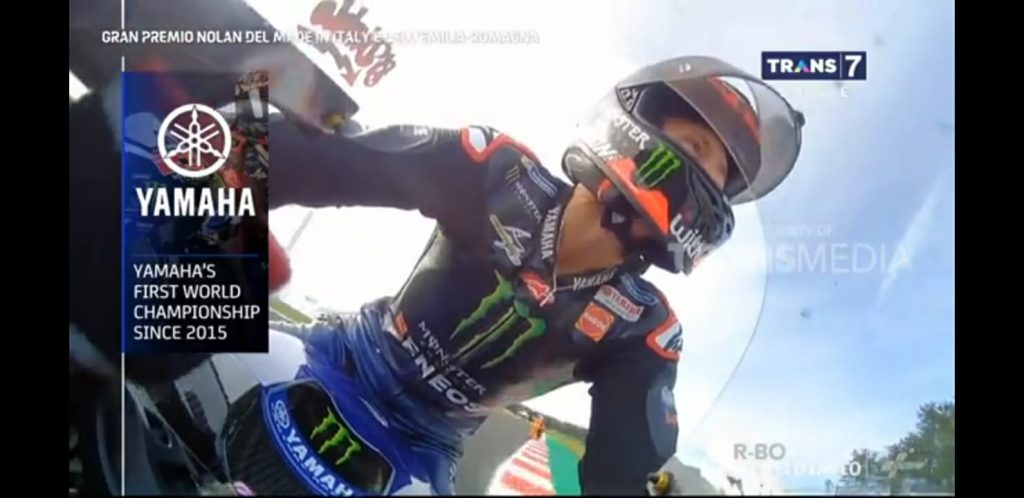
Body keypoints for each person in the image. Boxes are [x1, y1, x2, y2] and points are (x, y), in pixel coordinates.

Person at [269, 55, 805, 495]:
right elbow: (327, 158)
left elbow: (621, 475)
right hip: (335, 353)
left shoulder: (645, 329)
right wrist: (229, 163)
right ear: (634, 129)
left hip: (426, 449)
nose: (705, 188)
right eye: (696, 149)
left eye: (718, 181)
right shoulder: (495, 170)